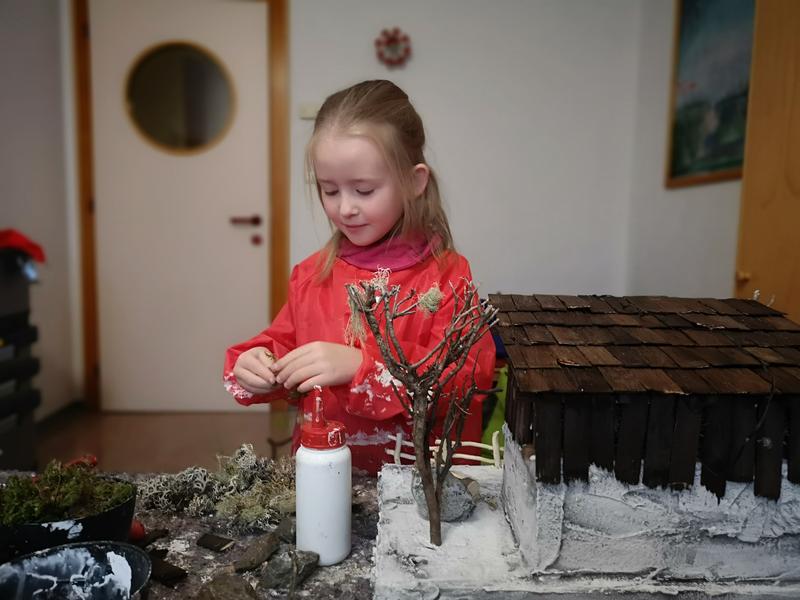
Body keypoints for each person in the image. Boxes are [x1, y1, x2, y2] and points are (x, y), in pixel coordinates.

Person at [223, 80, 495, 474]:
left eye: (364, 190)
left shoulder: (448, 277)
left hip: (422, 482)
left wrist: (361, 367)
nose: (345, 208)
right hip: (326, 475)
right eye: (329, 190)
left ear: (414, 181)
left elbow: (464, 382)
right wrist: (256, 363)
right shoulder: (313, 274)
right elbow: (284, 346)